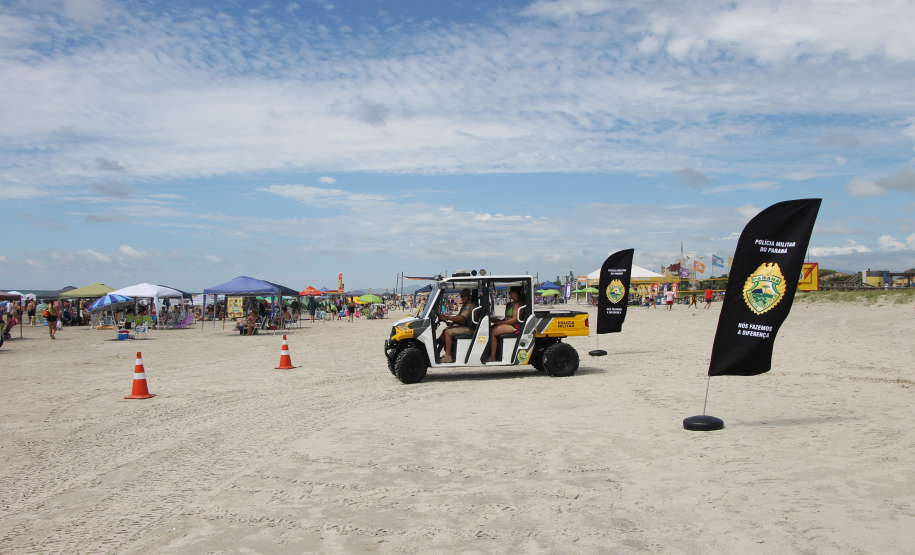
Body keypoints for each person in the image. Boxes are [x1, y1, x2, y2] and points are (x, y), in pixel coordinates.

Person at [438, 289, 476, 363]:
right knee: (445, 330)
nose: (463, 297)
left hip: (470, 328)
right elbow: (458, 317)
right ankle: (437, 352)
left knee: (448, 332)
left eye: (465, 295)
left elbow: (460, 318)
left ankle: (448, 356)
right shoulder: (465, 305)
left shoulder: (469, 305)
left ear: (469, 296)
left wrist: (446, 317)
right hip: (464, 325)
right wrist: (451, 324)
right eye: (462, 296)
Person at [487, 287, 525, 363]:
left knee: (492, 332)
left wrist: (501, 323)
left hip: (515, 326)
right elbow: (508, 317)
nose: (509, 294)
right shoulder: (512, 303)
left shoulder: (518, 304)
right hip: (510, 323)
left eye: (510, 292)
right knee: (489, 328)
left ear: (514, 293)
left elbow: (514, 319)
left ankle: (492, 356)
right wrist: (499, 320)